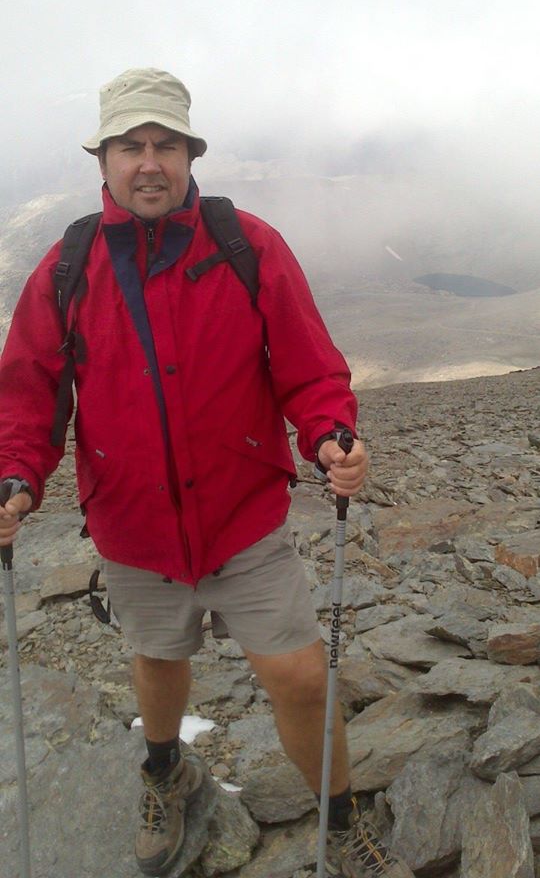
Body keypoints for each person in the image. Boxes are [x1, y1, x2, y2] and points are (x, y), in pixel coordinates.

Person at [0, 69, 413, 878]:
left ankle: (338, 821)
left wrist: (330, 433)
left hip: (241, 513)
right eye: (131, 146)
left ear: (190, 155)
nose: (149, 163)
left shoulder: (244, 245)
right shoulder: (68, 266)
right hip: (133, 521)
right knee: (158, 660)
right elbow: (30, 393)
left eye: (166, 145)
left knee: (300, 676)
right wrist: (15, 475)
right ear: (103, 160)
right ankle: (166, 772)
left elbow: (308, 367)